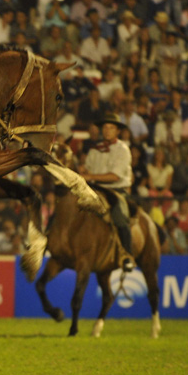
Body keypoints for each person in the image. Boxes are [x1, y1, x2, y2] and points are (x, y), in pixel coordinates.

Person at [79, 114, 135, 271]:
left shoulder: (123, 150)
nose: (107, 130)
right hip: (94, 190)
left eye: (111, 128)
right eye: (104, 127)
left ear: (117, 131)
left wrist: (90, 176)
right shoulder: (95, 149)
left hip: (116, 190)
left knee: (120, 214)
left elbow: (115, 176)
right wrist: (83, 169)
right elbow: (87, 168)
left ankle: (127, 254)